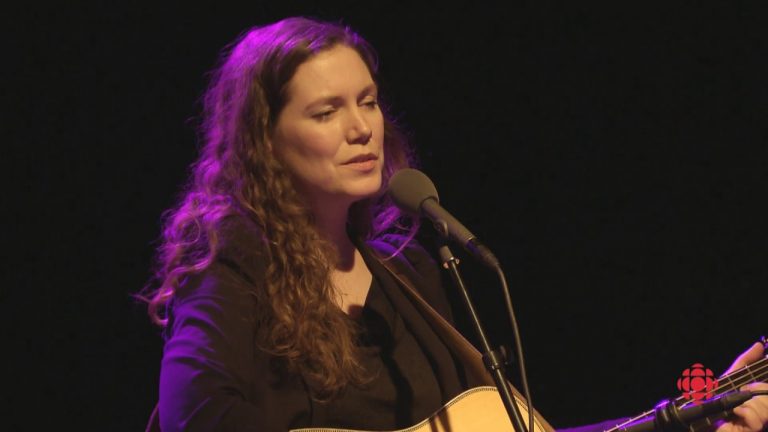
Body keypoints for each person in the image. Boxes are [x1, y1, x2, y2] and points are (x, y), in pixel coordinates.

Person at [140, 16, 768, 432]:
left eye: (367, 102)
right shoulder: (232, 268)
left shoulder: (410, 274)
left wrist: (690, 417)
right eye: (326, 112)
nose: (361, 128)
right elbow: (197, 420)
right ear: (265, 142)